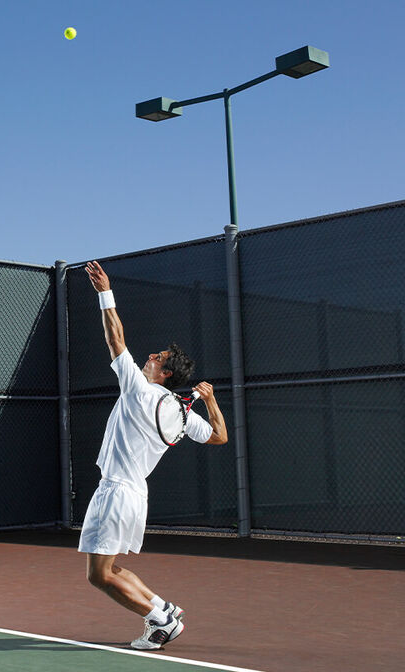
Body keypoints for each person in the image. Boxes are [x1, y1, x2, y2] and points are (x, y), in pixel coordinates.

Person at [78, 260, 228, 651]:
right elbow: (219, 436)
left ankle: (161, 623)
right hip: (135, 495)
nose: (150, 356)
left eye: (158, 358)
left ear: (164, 374)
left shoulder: (138, 390)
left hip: (116, 493)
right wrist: (210, 401)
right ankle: (164, 607)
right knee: (111, 567)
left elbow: (115, 338)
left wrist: (104, 292)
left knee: (99, 576)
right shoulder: (182, 413)